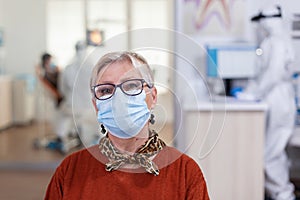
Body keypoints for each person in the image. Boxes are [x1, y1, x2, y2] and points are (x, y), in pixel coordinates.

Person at [44, 51, 210, 199]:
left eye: (131, 86)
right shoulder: (70, 172)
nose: (118, 99)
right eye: (106, 90)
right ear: (96, 106)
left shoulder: (185, 174)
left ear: (153, 97)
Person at [236, 5, 296, 200]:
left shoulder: (277, 42)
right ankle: (279, 192)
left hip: (279, 99)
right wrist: (251, 91)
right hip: (276, 98)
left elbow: (273, 74)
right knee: (273, 151)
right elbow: (265, 74)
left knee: (271, 154)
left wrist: (253, 93)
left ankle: (283, 194)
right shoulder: (275, 41)